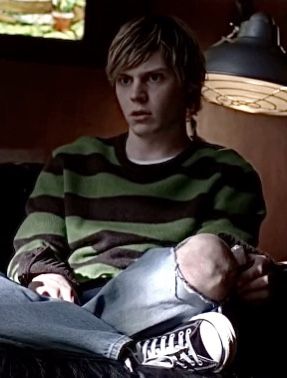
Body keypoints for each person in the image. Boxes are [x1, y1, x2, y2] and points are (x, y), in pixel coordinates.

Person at [5, 14, 273, 374]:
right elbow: (33, 247)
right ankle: (132, 354)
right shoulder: (73, 161)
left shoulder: (227, 172)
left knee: (208, 256)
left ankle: (65, 338)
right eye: (125, 80)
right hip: (72, 298)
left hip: (164, 303)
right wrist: (47, 275)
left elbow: (221, 263)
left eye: (155, 77)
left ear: (188, 86)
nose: (136, 95)